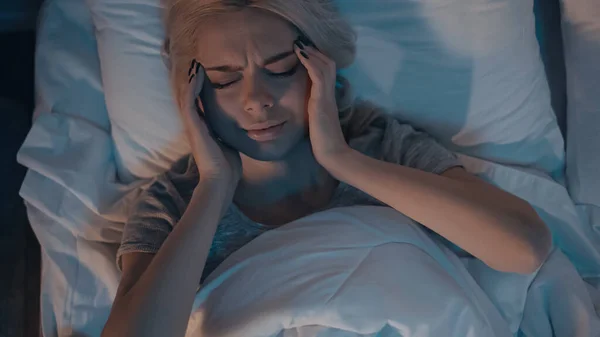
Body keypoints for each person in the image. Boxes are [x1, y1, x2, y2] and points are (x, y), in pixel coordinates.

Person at [102, 1, 552, 336]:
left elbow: (524, 247)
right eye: (225, 79)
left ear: (320, 70)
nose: (257, 99)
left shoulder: (383, 148)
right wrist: (214, 186)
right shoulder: (174, 203)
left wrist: (342, 160)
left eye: (280, 69)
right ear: (193, 92)